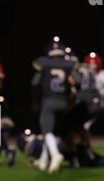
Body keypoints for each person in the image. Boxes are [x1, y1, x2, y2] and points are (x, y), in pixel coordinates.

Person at [32, 37, 75, 173]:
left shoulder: (44, 63)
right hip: (64, 102)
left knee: (47, 131)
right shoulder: (68, 64)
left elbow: (34, 83)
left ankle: (55, 155)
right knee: (51, 133)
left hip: (49, 101)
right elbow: (76, 80)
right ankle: (44, 161)